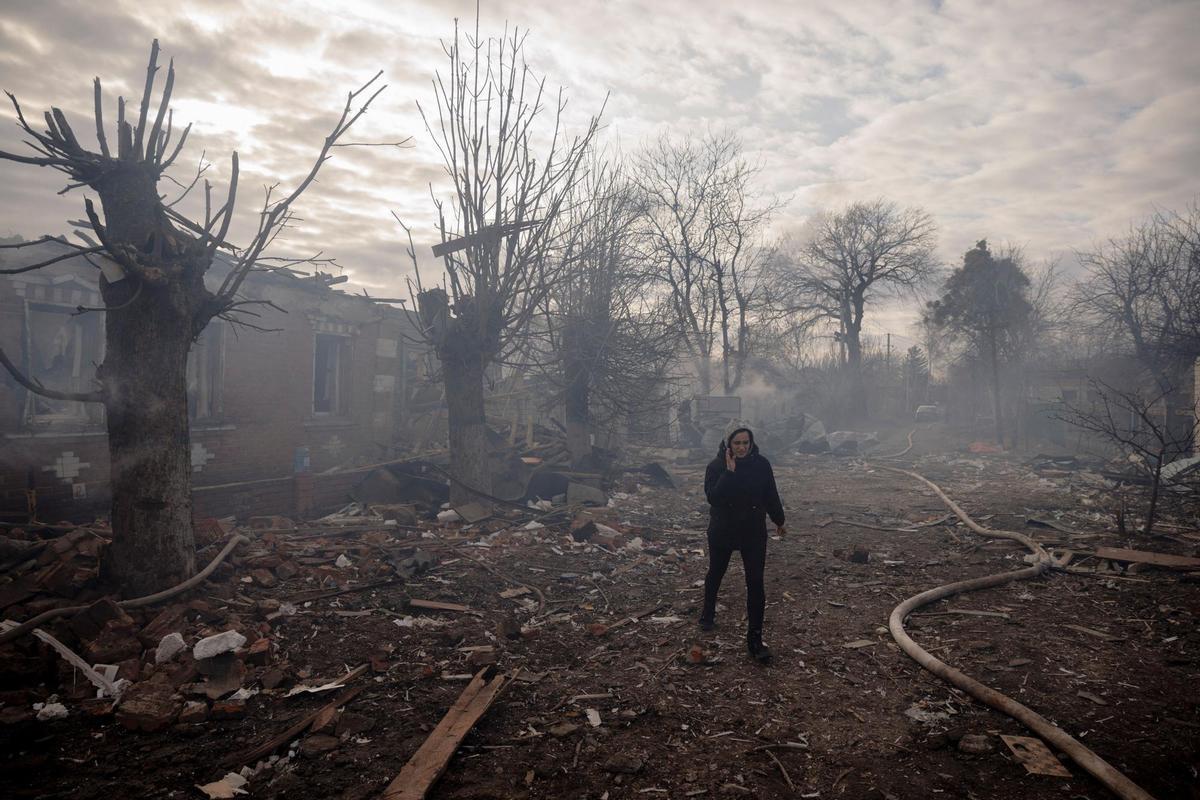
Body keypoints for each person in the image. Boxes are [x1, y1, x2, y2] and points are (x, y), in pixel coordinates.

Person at [701, 421, 787, 663]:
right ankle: (707, 614)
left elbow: (770, 493)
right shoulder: (716, 466)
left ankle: (755, 640)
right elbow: (714, 499)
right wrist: (729, 473)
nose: (742, 447)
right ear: (728, 443)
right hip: (723, 530)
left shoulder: (761, 465)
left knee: (756, 582)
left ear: (752, 443)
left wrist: (779, 519)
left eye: (745, 443)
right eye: (737, 443)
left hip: (752, 531)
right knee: (716, 573)